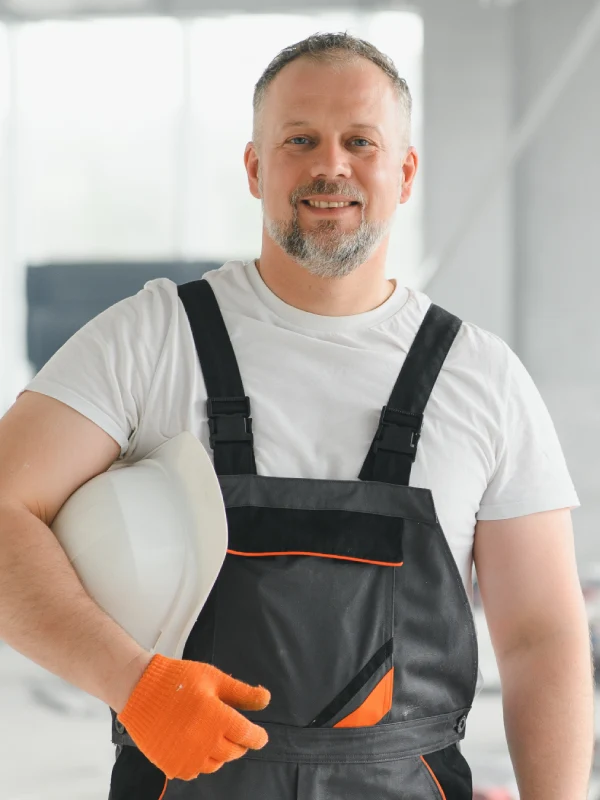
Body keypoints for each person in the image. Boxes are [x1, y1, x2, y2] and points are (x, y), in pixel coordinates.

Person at [0, 31, 593, 800]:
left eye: (360, 142)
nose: (330, 166)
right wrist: (131, 681)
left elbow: (541, 637)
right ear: (255, 167)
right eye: (300, 140)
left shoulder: (482, 378)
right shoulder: (151, 339)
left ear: (405, 172)